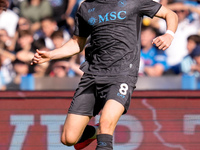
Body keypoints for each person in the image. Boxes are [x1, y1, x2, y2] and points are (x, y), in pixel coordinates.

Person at [31, 0, 178, 149]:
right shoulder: (86, 7)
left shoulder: (132, 1)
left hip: (122, 74)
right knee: (68, 138)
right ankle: (94, 132)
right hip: (92, 75)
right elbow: (77, 43)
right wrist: (51, 55)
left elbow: (169, 14)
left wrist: (169, 34)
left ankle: (101, 132)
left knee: (106, 123)